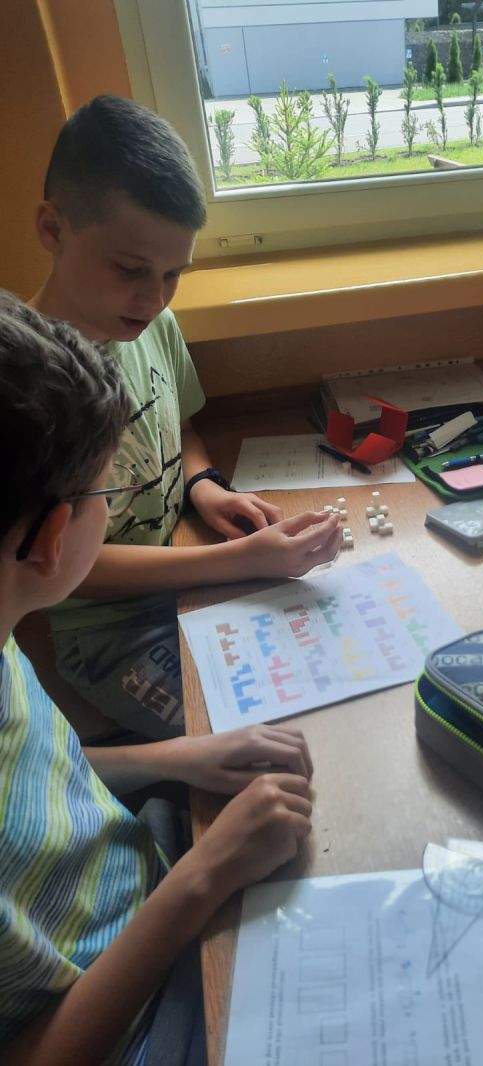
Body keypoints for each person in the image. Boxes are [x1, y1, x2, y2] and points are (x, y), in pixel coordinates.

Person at [0, 291, 315, 1066]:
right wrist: (204, 876)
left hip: (141, 867)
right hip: (135, 1020)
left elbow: (39, 783)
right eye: (109, 496)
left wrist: (181, 756)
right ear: (55, 537)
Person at [28, 95, 342, 741]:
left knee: (333, 689)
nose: (153, 297)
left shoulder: (154, 325)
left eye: (174, 273)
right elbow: (63, 568)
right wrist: (243, 561)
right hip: (111, 631)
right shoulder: (27, 382)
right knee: (274, 738)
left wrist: (204, 487)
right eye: (130, 269)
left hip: (193, 562)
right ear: (53, 229)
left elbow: (184, 428)